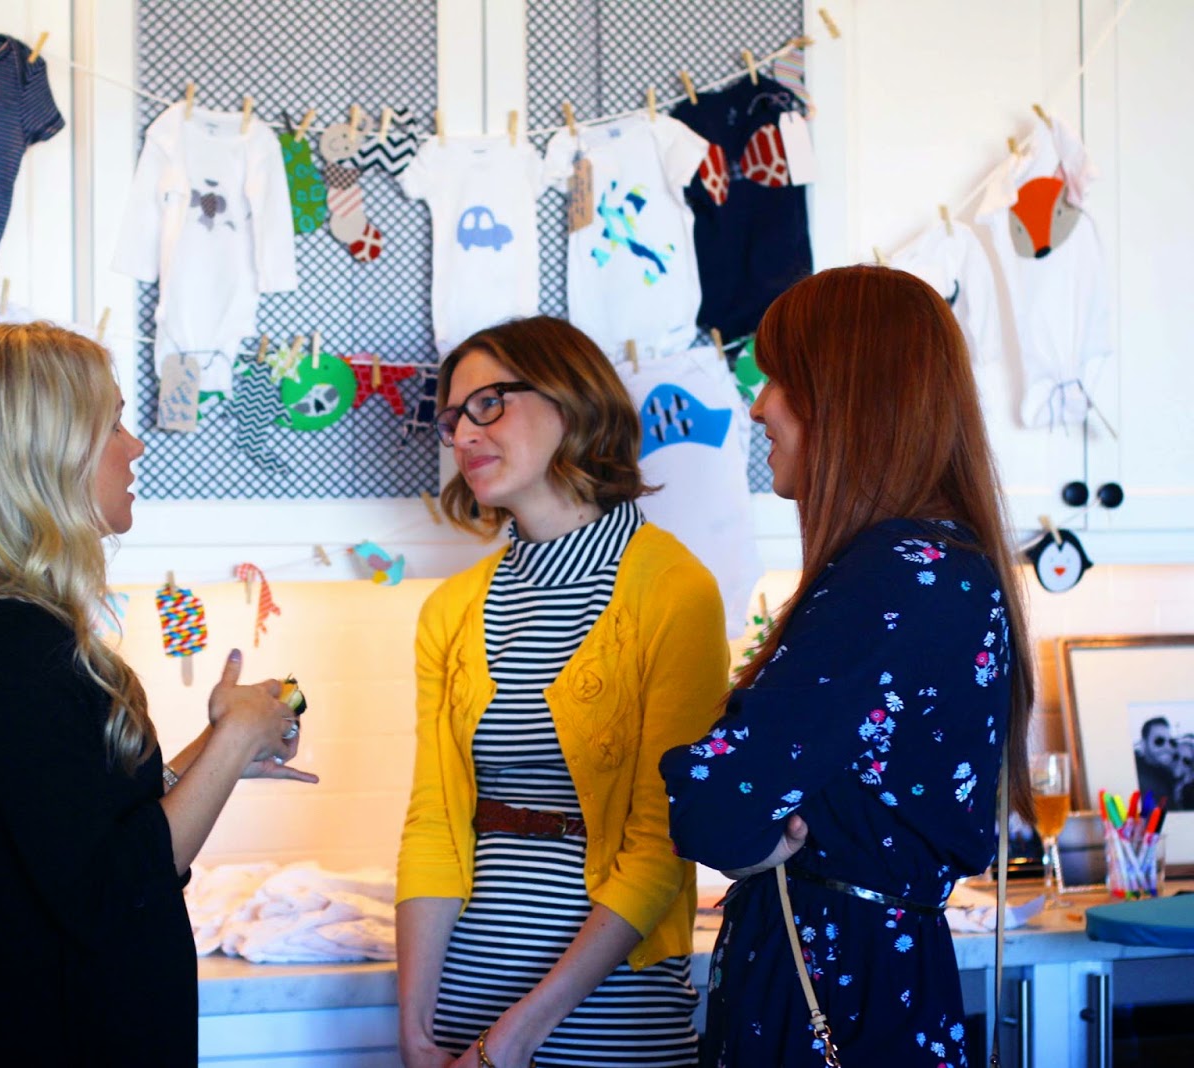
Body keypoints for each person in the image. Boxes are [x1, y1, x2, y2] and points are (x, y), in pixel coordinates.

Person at [0, 322, 315, 1065]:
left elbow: (74, 828)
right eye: (114, 423)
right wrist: (232, 744)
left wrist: (218, 750)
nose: (136, 446)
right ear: (46, 454)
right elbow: (111, 890)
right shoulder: (17, 647)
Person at [661, 266, 1037, 1065]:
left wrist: (757, 831)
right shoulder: (943, 563)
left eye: (779, 380)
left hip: (836, 982)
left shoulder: (891, 574)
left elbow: (713, 801)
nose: (758, 407)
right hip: (877, 978)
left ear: (847, 398)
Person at [396, 316, 729, 1068]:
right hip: (460, 1009)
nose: (463, 434)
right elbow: (433, 826)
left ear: (573, 401)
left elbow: (660, 845)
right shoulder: (451, 609)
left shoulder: (674, 591)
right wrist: (415, 1031)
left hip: (610, 1018)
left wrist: (517, 1035)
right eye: (453, 418)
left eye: (488, 404)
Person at [1133, 716, 1178, 805]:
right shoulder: (1139, 778)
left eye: (1171, 741)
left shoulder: (1165, 773)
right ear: (1143, 744)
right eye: (1159, 741)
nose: (1167, 747)